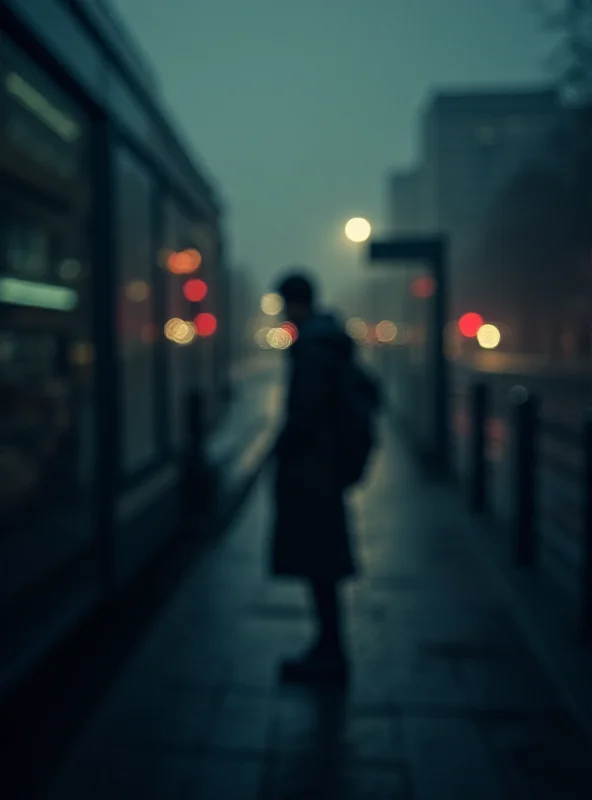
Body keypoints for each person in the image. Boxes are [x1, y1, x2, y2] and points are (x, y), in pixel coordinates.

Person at [270, 271, 358, 683]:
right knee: (324, 565)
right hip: (327, 468)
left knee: (318, 565)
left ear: (294, 304)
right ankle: (328, 648)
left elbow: (304, 415)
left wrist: (280, 448)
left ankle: (330, 654)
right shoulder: (328, 342)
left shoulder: (311, 348)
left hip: (313, 472)